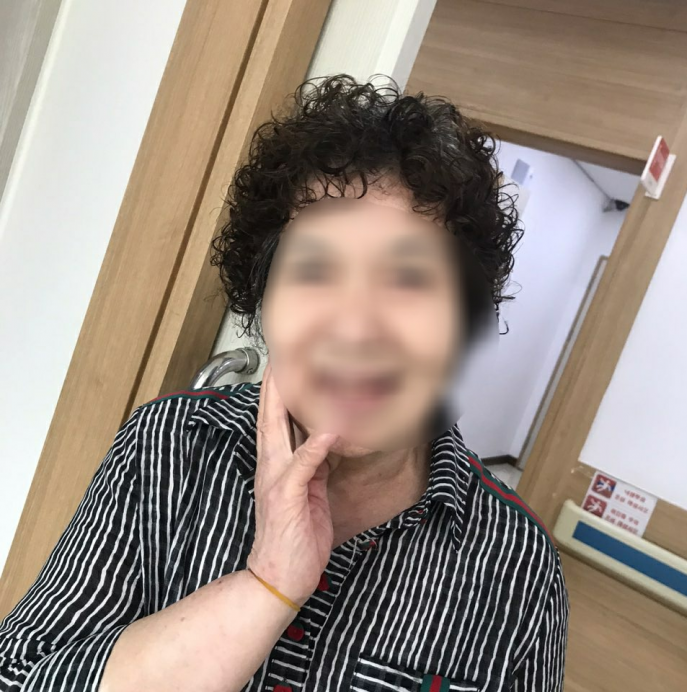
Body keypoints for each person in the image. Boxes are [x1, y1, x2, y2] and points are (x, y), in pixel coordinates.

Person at [0, 74, 568, 692]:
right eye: (316, 272)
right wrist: (265, 587)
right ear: (263, 299)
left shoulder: (520, 566)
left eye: (408, 280)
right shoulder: (170, 444)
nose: (356, 329)